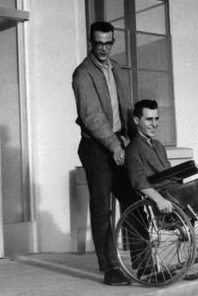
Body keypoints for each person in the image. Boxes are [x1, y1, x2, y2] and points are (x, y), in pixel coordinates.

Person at [72, 20, 133, 287]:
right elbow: (92, 116)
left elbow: (126, 107)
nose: (104, 48)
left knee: (132, 197)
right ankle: (110, 268)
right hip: (96, 146)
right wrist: (114, 146)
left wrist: (131, 137)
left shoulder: (117, 68)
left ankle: (145, 261)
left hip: (119, 142)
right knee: (102, 207)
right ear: (91, 42)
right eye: (99, 43)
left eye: (109, 43)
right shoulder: (83, 74)